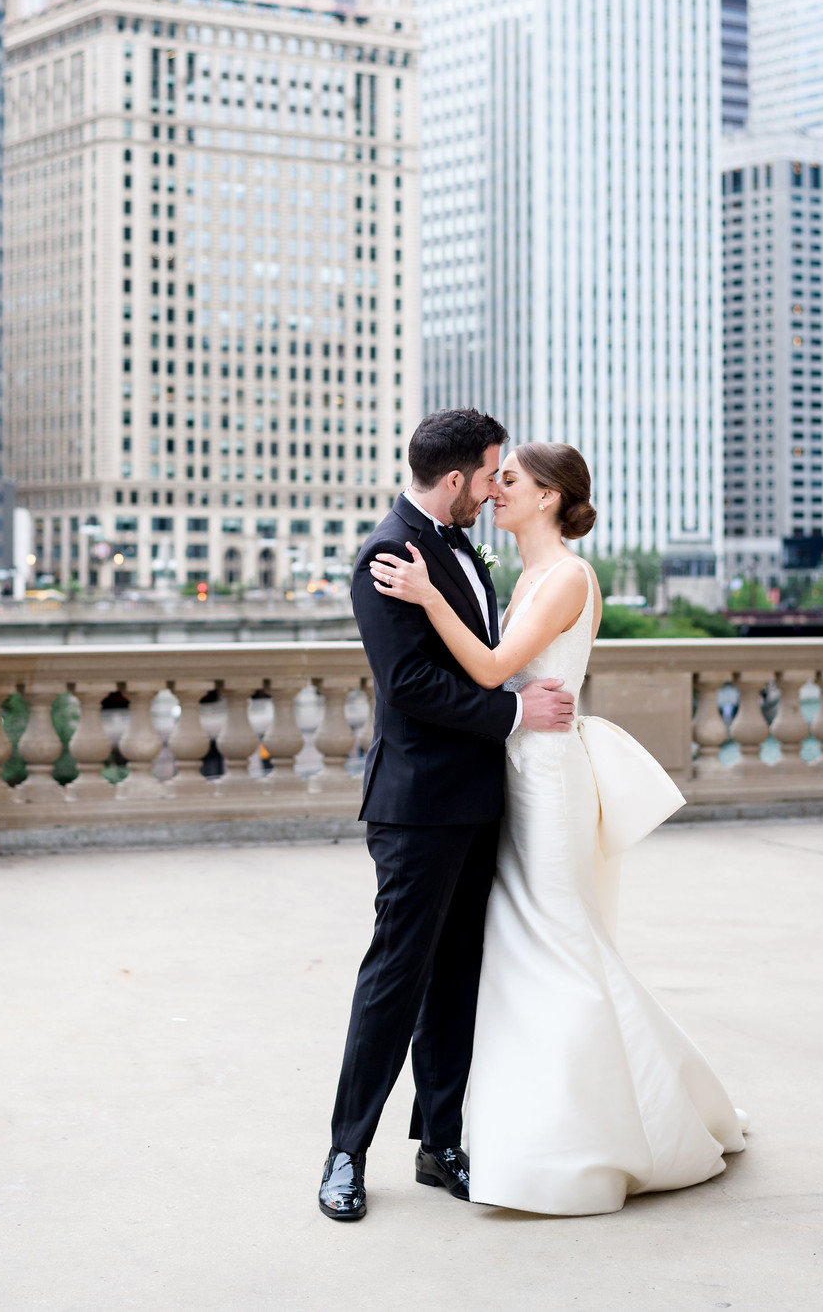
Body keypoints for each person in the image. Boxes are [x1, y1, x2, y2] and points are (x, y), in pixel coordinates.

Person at [369, 439, 747, 1215]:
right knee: (524, 945)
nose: (494, 491)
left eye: (509, 481)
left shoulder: (568, 575)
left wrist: (426, 594)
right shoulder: (526, 574)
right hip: (513, 776)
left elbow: (491, 670)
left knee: (561, 939)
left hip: (545, 784)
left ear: (547, 497)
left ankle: (601, 1127)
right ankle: (530, 1122)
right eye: (492, 477)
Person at [318, 410, 576, 1223]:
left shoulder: (463, 545)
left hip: (479, 798)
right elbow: (409, 687)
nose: (497, 488)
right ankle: (344, 1155)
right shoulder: (389, 554)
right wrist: (510, 715)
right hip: (419, 806)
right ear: (457, 480)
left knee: (458, 976)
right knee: (396, 978)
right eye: (491, 474)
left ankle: (441, 1143)